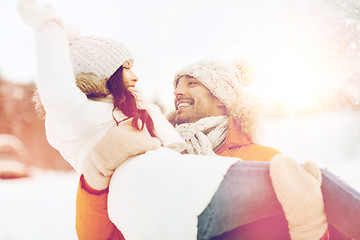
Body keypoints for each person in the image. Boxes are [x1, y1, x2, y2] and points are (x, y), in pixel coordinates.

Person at [17, 1, 360, 240]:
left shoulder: (263, 157)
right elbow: (99, 236)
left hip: (217, 201)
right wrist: (96, 176)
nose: (178, 94)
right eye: (176, 86)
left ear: (222, 97)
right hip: (184, 210)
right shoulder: (140, 148)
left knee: (313, 186)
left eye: (192, 84)